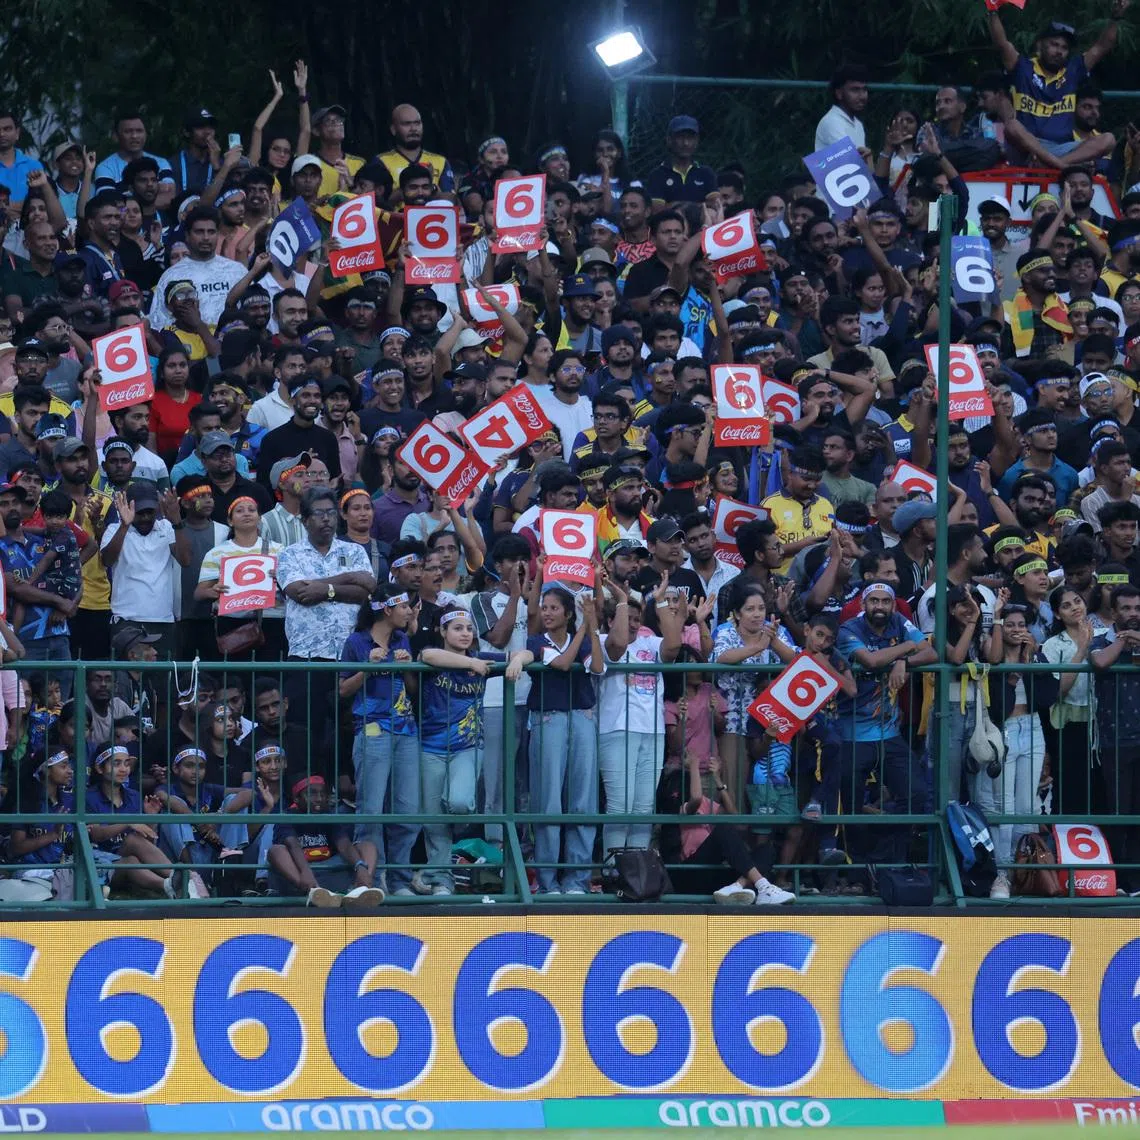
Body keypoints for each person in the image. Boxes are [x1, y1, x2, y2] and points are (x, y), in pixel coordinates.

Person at [419, 607, 530, 894]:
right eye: (457, 628)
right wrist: (469, 665)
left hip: (467, 747)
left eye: (469, 628)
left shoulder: (481, 658)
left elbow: (530, 654)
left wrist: (517, 659)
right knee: (433, 820)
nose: (465, 633)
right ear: (443, 632)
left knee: (458, 804)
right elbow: (428, 656)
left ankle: (441, 866)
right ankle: (440, 879)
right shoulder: (438, 655)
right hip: (430, 747)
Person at [277, 485, 376, 772]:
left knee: (351, 729)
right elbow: (298, 592)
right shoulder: (290, 555)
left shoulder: (354, 550)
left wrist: (324, 589)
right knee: (307, 732)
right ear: (305, 519)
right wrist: (347, 578)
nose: (326, 520)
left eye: (331, 513)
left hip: (349, 656)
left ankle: (346, 790)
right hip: (307, 656)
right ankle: (309, 796)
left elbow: (366, 590)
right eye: (319, 514)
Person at [835, 582, 935, 864]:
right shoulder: (849, 630)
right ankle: (856, 869)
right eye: (874, 601)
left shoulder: (898, 622)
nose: (879, 607)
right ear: (863, 604)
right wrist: (905, 650)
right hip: (851, 733)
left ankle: (887, 863)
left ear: (893, 604)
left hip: (889, 733)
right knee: (851, 807)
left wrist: (904, 660)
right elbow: (871, 660)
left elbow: (931, 653)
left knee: (915, 796)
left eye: (885, 602)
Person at [526, 580, 605, 894]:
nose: (546, 613)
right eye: (544, 608)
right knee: (548, 801)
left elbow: (597, 667)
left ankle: (577, 879)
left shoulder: (582, 639)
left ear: (567, 613)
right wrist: (584, 631)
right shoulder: (535, 641)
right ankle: (547, 881)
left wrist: (591, 628)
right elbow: (560, 664)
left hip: (581, 718)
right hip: (549, 719)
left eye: (553, 608)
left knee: (583, 800)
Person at [339, 587, 419, 896]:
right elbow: (344, 689)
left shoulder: (402, 640)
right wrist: (368, 668)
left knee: (407, 810)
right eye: (404, 606)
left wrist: (407, 666)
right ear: (387, 609)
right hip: (372, 729)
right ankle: (374, 879)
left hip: (406, 730)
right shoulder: (356, 642)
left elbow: (411, 688)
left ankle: (400, 880)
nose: (410, 612)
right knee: (371, 809)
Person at [597, 574, 681, 855]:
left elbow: (673, 646)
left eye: (637, 619)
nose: (633, 624)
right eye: (628, 618)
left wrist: (658, 604)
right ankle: (613, 869)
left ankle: (636, 870)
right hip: (616, 729)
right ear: (612, 620)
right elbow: (618, 646)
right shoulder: (603, 640)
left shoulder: (650, 644)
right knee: (620, 804)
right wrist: (622, 599)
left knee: (644, 806)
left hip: (653, 731)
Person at [267, 774, 383, 907]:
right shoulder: (287, 816)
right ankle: (313, 892)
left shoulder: (328, 814)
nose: (319, 798)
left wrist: (360, 866)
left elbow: (344, 845)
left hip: (328, 869)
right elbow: (293, 845)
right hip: (301, 872)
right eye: (312, 794)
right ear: (297, 799)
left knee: (367, 846)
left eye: (323, 794)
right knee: (276, 851)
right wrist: (306, 872)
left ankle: (361, 890)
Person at [99, 484, 190, 654]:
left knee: (162, 679)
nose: (146, 517)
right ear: (127, 508)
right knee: (125, 676)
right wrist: (124, 526)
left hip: (163, 619)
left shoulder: (166, 527)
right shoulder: (114, 529)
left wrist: (177, 522)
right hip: (126, 619)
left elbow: (185, 560)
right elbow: (107, 560)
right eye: (140, 513)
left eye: (150, 512)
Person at [149, 206, 247, 330]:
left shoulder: (237, 271)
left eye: (211, 232)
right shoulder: (172, 275)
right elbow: (158, 322)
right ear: (187, 236)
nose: (206, 237)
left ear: (218, 234)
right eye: (199, 232)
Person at [815, 64, 869, 152]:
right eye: (855, 90)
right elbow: (851, 164)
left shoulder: (858, 124)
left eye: (864, 89)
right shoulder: (832, 122)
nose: (862, 96)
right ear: (839, 93)